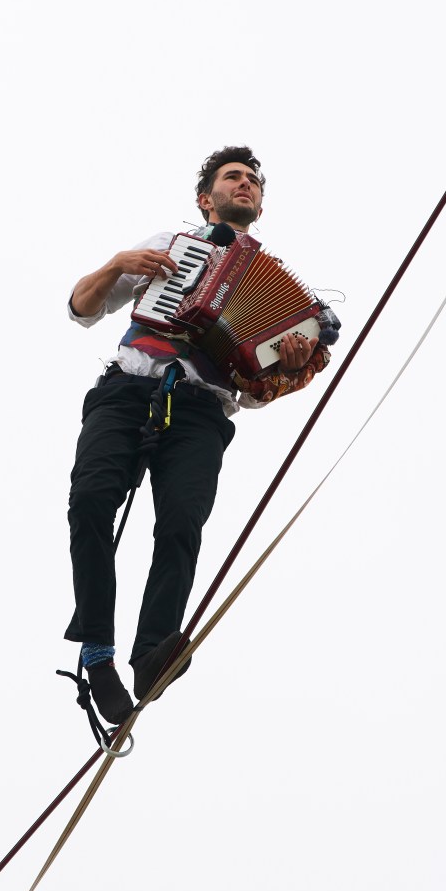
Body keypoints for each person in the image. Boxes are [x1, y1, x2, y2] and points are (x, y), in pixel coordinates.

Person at [64, 146, 333, 725]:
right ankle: (98, 652)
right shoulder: (168, 244)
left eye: (253, 181)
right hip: (128, 389)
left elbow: (255, 393)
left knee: (182, 523)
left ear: (259, 205)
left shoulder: (284, 299)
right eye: (233, 177)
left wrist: (286, 369)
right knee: (90, 502)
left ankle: (151, 651)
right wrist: (117, 264)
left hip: (201, 411)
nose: (245, 184)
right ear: (205, 199)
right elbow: (81, 308)